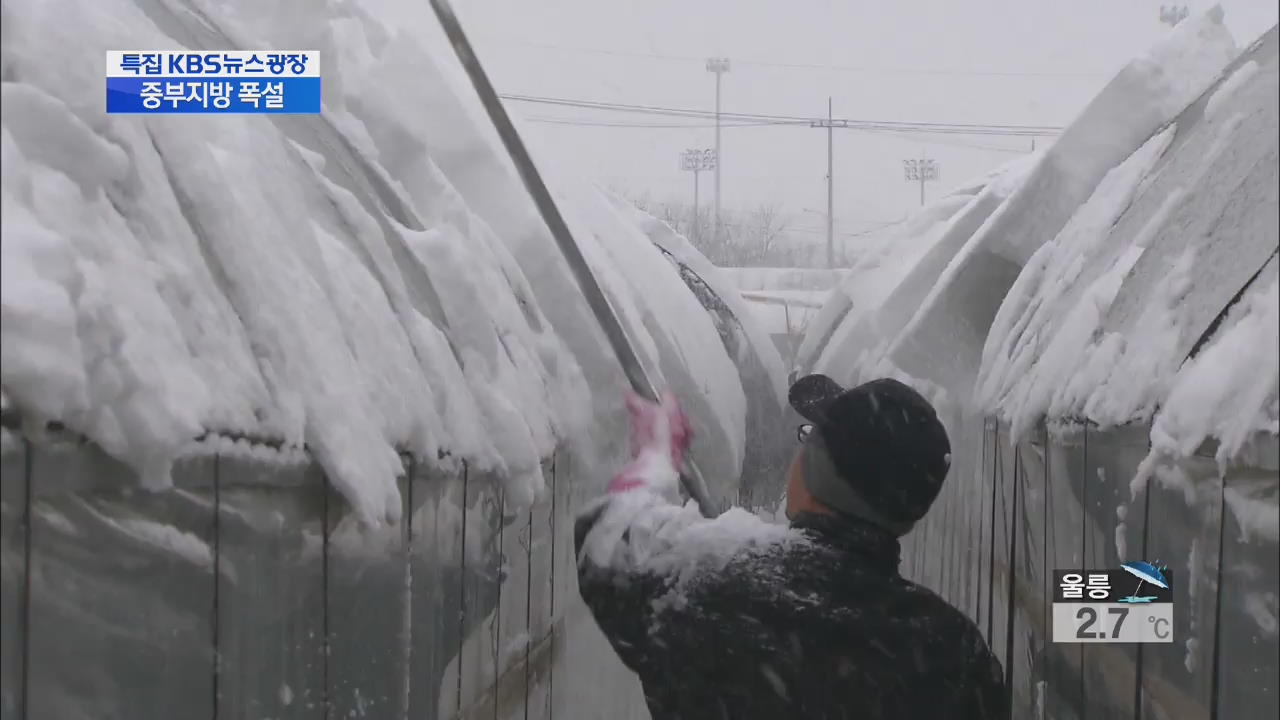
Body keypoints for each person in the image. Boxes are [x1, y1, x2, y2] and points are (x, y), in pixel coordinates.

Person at [575, 375, 1007, 720]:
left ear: (819, 469)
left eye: (809, 439)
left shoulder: (714, 585)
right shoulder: (951, 652)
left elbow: (610, 539)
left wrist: (655, 455)